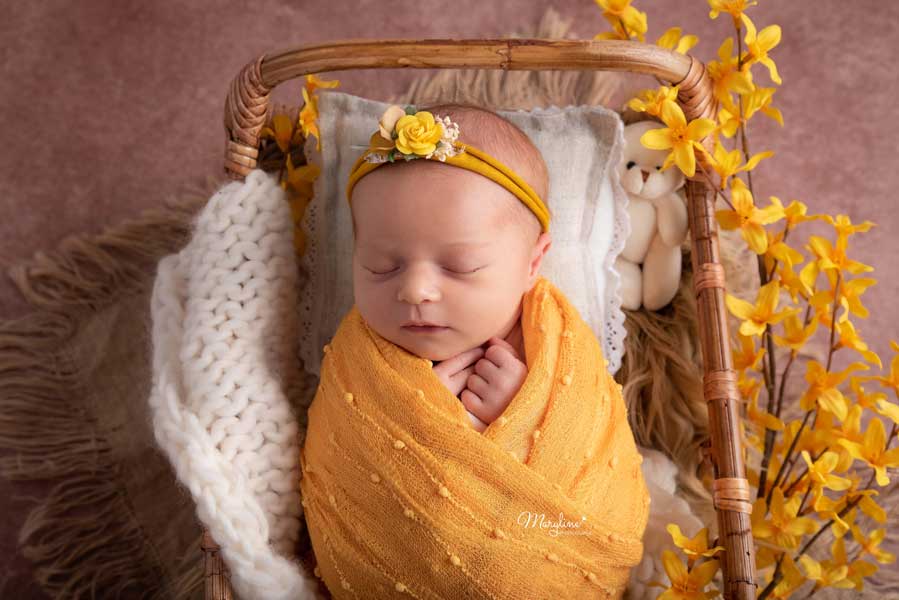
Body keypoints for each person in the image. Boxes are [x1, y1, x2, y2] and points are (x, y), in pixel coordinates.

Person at [298, 102, 649, 599]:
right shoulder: (358, 357)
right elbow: (337, 460)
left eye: (460, 267)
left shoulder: (557, 346)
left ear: (533, 262)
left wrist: (521, 417)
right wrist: (414, 418)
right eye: (380, 266)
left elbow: (595, 463)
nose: (415, 290)